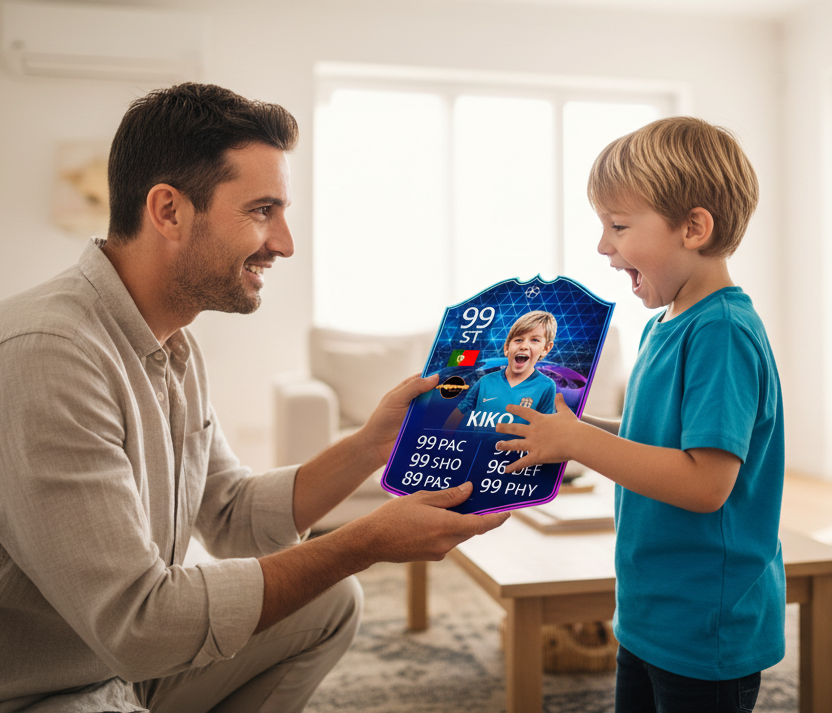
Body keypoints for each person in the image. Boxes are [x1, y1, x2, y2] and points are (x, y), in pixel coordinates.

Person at [0, 83, 508, 713]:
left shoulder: (173, 345)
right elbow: (139, 623)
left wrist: (374, 444)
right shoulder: (49, 353)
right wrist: (363, 542)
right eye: (262, 210)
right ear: (169, 212)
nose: (285, 243)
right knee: (334, 572)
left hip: (123, 670)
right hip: (50, 690)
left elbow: (235, 515)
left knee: (330, 600)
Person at [495, 117, 784, 712]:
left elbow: (705, 483)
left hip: (706, 624)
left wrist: (574, 439)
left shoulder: (722, 332)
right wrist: (561, 429)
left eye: (619, 226)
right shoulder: (664, 324)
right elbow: (647, 443)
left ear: (694, 228)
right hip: (650, 612)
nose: (604, 247)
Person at [446, 310, 557, 431]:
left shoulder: (546, 386)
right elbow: (461, 410)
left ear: (546, 349)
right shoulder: (485, 382)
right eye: (518, 340)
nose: (524, 346)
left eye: (535, 340)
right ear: (506, 349)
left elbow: (545, 431)